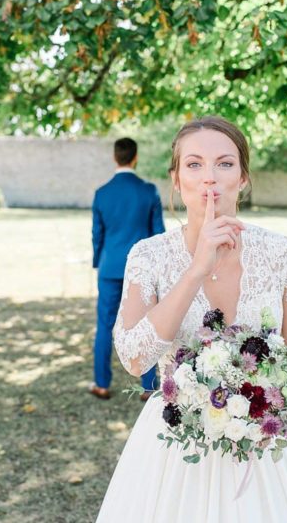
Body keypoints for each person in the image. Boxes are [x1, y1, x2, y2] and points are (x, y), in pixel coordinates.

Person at [96, 117, 287, 522]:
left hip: (264, 449)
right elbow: (133, 358)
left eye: (225, 164)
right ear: (176, 180)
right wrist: (195, 269)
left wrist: (259, 402)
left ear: (244, 177)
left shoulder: (283, 254)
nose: (209, 177)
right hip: (174, 449)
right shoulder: (148, 256)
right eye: (194, 165)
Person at [91, 137, 166, 401]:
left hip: (110, 268)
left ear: (116, 158)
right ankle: (149, 386)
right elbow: (159, 235)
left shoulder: (102, 193)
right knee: (148, 325)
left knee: (104, 325)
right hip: (142, 271)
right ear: (135, 157)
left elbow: (97, 234)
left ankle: (101, 383)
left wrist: (97, 263)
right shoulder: (149, 191)